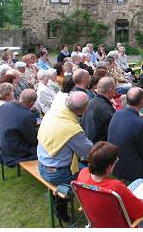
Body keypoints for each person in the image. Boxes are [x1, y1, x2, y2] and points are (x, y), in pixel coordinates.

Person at [77, 141, 143, 228]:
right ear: (109, 167)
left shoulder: (83, 173)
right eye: (115, 161)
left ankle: (136, 200)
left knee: (140, 181)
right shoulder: (115, 187)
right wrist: (139, 201)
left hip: (100, 216)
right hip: (130, 223)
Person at [37, 91, 93, 222]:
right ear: (83, 109)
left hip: (43, 164)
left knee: (82, 166)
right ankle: (69, 201)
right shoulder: (72, 128)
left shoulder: (53, 112)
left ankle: (59, 199)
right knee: (92, 176)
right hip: (58, 173)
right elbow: (88, 149)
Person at [0, 89, 39, 167]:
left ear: (20, 97)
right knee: (47, 149)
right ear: (31, 103)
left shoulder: (3, 106)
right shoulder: (27, 115)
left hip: (2, 146)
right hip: (16, 152)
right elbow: (33, 140)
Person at [81, 77, 117, 143]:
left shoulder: (91, 102)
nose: (115, 91)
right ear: (110, 90)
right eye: (115, 89)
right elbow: (115, 133)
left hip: (88, 141)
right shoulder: (106, 110)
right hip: (99, 147)